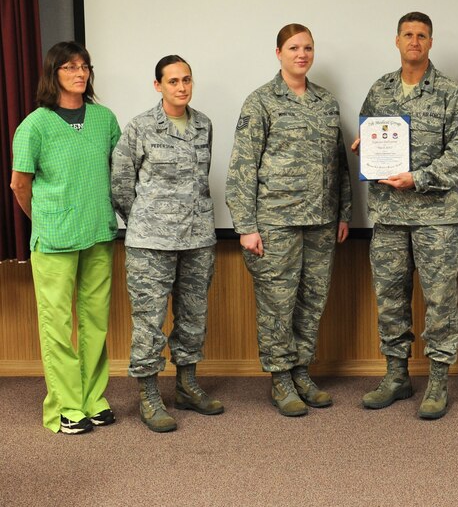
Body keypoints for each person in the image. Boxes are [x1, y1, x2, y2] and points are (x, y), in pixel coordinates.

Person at [354, 11, 458, 420]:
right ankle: (396, 375)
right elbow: (371, 132)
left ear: (430, 42)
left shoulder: (448, 92)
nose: (415, 41)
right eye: (408, 34)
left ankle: (439, 379)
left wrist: (419, 178)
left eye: (422, 35)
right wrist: (364, 146)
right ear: (397, 40)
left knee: (440, 299)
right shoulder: (381, 89)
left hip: (434, 216)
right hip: (389, 216)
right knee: (390, 298)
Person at [226, 24, 352, 417]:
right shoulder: (261, 101)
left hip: (320, 220)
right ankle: (280, 378)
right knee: (278, 304)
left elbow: (340, 165)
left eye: (308, 47)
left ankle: (301, 371)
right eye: (294, 48)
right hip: (276, 222)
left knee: (311, 301)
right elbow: (243, 167)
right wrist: (246, 227)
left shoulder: (326, 102)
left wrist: (343, 213)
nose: (302, 54)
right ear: (278, 52)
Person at [10, 41, 121, 434]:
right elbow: (20, 185)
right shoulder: (35, 125)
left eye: (84, 67)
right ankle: (67, 407)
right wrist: (44, 221)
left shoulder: (105, 119)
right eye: (70, 67)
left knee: (96, 321)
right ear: (53, 74)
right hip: (54, 240)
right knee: (56, 323)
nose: (79, 73)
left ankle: (93, 399)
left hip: (97, 233)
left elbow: (117, 173)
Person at [111, 55, 223, 433]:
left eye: (187, 79)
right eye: (173, 81)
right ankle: (149, 395)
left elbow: (201, 179)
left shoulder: (204, 125)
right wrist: (146, 221)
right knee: (149, 323)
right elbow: (121, 184)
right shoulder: (140, 127)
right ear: (158, 85)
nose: (181, 87)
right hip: (150, 243)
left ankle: (188, 386)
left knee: (193, 318)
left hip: (197, 239)